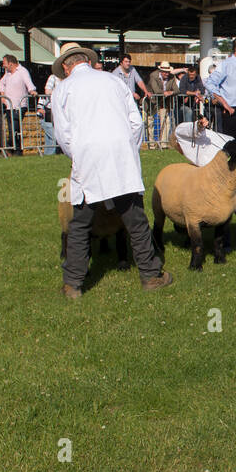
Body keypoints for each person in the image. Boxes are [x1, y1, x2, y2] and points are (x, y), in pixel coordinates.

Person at [51, 43, 171, 297]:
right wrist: (128, 150)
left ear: (66, 66)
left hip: (87, 156)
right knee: (135, 219)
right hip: (121, 156)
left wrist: (79, 156)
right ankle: (150, 276)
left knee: (80, 223)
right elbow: (136, 123)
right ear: (86, 60)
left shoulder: (62, 89)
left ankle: (73, 284)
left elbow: (63, 135)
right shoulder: (113, 81)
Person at [173, 117, 236, 267]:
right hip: (226, 158)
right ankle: (225, 246)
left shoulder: (179, 136)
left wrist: (198, 125)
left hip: (227, 161)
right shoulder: (198, 142)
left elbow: (186, 129)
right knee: (224, 203)